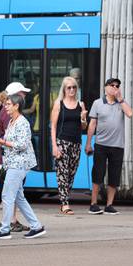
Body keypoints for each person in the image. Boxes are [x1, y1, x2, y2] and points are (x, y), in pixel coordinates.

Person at [0, 94, 46, 240]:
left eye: (8, 104)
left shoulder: (22, 122)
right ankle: (36, 226)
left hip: (18, 163)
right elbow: (9, 140)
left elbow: (22, 144)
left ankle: (5, 229)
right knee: (19, 197)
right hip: (13, 162)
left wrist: (3, 143)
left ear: (16, 106)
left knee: (7, 196)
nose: (5, 107)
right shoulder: (12, 122)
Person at [85, 78, 133, 215]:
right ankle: (93, 204)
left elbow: (130, 114)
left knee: (114, 176)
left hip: (118, 146)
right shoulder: (97, 103)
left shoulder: (121, 103)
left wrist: (121, 99)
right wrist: (88, 143)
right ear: (106, 87)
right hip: (101, 145)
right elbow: (92, 124)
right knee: (98, 174)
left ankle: (109, 205)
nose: (115, 87)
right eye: (112, 85)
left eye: (117, 86)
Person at [0, 82, 32, 232]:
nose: (24, 96)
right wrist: (2, 142)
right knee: (11, 194)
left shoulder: (9, 113)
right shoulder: (9, 113)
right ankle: (9, 223)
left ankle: (17, 222)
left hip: (13, 159)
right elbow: (16, 141)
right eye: (22, 93)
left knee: (16, 194)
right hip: (12, 160)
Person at [50, 77, 87, 215]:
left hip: (76, 143)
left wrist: (83, 118)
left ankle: (64, 200)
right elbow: (53, 126)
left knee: (71, 173)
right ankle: (65, 203)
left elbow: (83, 126)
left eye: (74, 87)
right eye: (69, 87)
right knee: (62, 173)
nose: (72, 90)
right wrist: (54, 146)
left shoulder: (80, 104)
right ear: (64, 89)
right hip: (62, 142)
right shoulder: (58, 104)